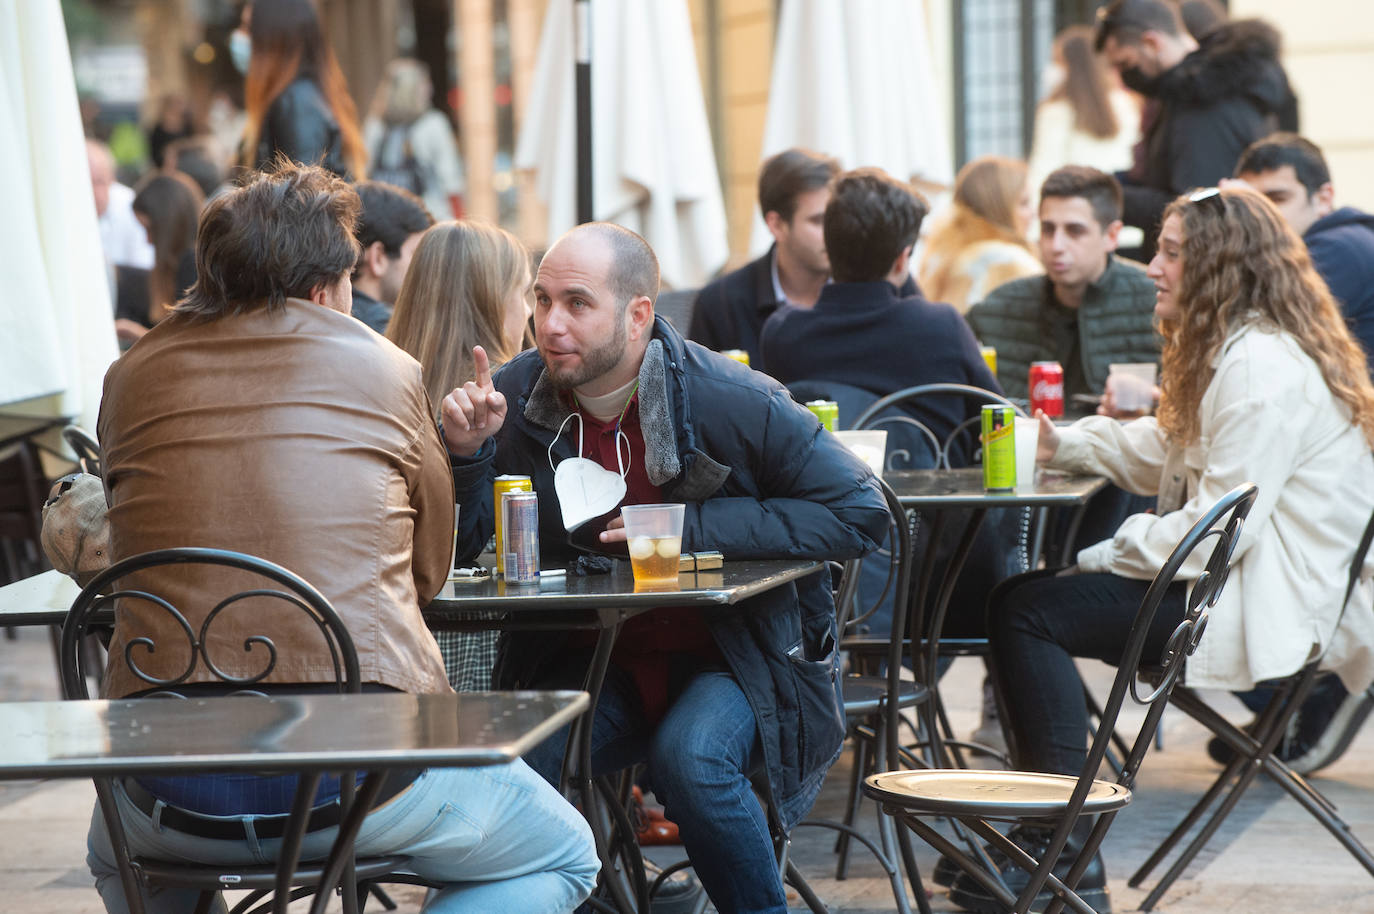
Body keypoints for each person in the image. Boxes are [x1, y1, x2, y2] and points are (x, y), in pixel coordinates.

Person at [87, 162, 598, 914]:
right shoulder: (387, 369)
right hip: (356, 777)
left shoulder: (128, 374)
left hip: (163, 784)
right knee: (564, 855)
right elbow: (426, 577)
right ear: (328, 288)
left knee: (113, 856)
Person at [441, 221, 889, 913]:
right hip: (594, 658)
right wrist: (468, 457)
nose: (550, 323)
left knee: (692, 759)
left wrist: (694, 528)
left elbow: (861, 511)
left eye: (578, 303)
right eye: (542, 300)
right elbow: (459, 552)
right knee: (515, 760)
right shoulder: (513, 398)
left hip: (742, 656)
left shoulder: (731, 398)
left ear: (638, 314)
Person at [952, 187, 1374, 914]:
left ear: (1221, 265)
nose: (1152, 266)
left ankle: (1059, 848)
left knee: (1029, 610)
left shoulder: (1259, 368)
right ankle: (1050, 840)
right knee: (1022, 601)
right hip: (1243, 580)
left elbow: (1218, 527)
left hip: (1269, 598)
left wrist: (1101, 554)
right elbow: (1172, 445)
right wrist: (1068, 441)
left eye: (1172, 252)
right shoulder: (1243, 347)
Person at [762, 167, 1000, 466]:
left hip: (823, 504)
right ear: (903, 259)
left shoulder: (782, 333)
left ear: (830, 247)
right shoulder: (939, 326)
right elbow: (999, 418)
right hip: (927, 507)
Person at [386, 219, 533, 692]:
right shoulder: (519, 396)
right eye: (527, 293)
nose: (532, 312)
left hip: (393, 648)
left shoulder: (379, 385)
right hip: (496, 650)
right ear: (495, 300)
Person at [1093, 0, 1296, 260]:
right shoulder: (1186, 93)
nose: (1122, 77)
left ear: (1152, 43)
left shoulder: (1201, 102)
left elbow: (1196, 208)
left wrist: (1110, 197)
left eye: (1125, 63)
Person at [966, 166, 1159, 402]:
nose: (1056, 245)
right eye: (1048, 229)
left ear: (1111, 236)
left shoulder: (1158, 303)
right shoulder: (997, 309)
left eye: (1074, 231)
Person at [1233, 133, 1374, 378]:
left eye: (1276, 199)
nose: (1260, 215)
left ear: (1323, 199)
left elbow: (1254, 324)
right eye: (1250, 203)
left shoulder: (1341, 247)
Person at [687, 147, 840, 369]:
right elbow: (700, 393)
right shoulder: (720, 303)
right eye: (818, 221)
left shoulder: (870, 287)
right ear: (776, 224)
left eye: (837, 217)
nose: (834, 231)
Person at [234, 0, 366, 179]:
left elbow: (304, 198)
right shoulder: (300, 97)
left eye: (248, 27)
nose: (240, 36)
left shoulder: (296, 104)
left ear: (274, 37)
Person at [1026, 26, 1140, 201]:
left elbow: (1043, 169)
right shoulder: (1125, 102)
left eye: (1056, 61)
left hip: (1071, 210)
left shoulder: (1056, 111)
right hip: (1119, 208)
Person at [917, 156, 1042, 314]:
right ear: (999, 207)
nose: (1033, 213)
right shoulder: (1009, 261)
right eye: (1024, 203)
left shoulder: (940, 258)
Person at [364, 57, 466, 221]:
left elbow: (364, 173)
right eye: (425, 83)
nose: (431, 88)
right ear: (414, 89)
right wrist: (460, 220)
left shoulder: (376, 125)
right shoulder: (434, 124)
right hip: (430, 216)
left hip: (386, 219)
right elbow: (451, 181)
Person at [125, 172, 204, 339]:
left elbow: (188, 341)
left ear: (167, 227)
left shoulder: (193, 265)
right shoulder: (187, 263)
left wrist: (140, 335)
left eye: (150, 229)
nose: (147, 240)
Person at [350, 181, 434, 333]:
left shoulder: (321, 315)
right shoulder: (388, 334)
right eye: (415, 254)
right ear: (378, 258)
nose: (426, 268)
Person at [87, 138, 154, 274]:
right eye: (86, 183)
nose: (92, 192)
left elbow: (143, 268)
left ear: (112, 179)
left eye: (99, 182)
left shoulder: (131, 207)